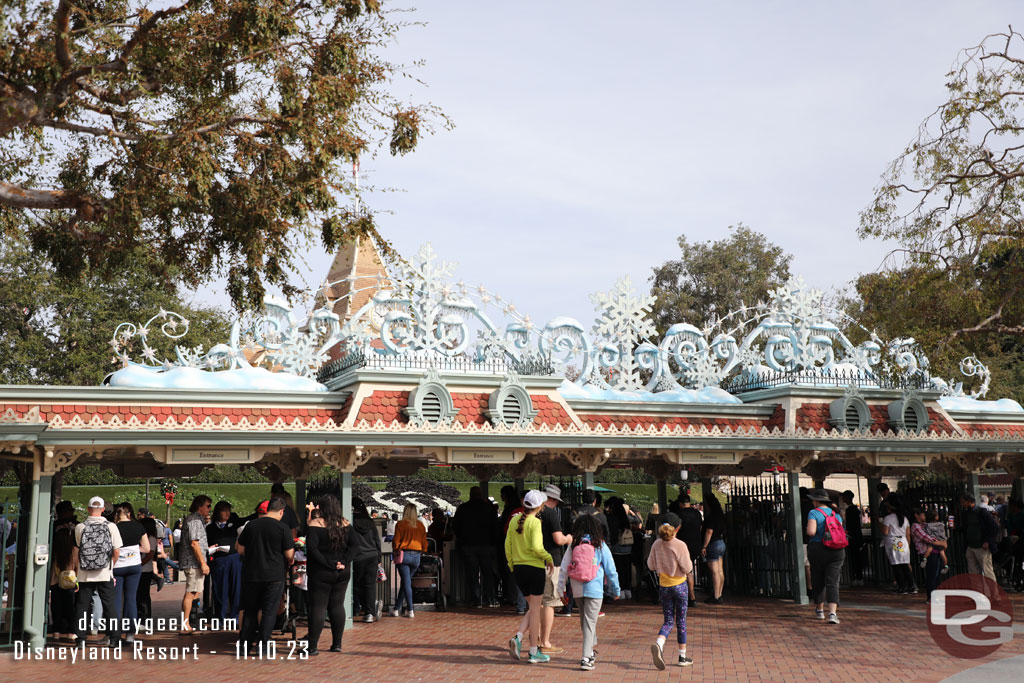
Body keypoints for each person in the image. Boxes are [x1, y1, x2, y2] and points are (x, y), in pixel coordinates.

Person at [556, 513, 620, 671]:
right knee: (590, 622)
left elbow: (564, 569)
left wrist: (560, 590)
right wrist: (616, 589)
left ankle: (590, 650)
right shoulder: (600, 545)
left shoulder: (574, 545)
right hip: (595, 589)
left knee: (586, 621)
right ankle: (586, 658)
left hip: (577, 589)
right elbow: (611, 570)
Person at [303, 495, 358, 655]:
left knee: (318, 607)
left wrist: (328, 564)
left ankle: (312, 646)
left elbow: (312, 549)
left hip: (321, 571)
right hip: (342, 571)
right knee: (337, 605)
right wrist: (344, 561)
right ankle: (337, 644)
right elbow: (355, 545)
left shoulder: (315, 524)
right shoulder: (346, 523)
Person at [238, 498, 296, 649]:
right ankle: (263, 644)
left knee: (250, 610)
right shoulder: (283, 528)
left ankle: (245, 643)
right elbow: (289, 554)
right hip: (274, 575)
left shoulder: (251, 525)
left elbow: (240, 549)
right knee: (268, 611)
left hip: (251, 573)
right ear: (281, 511)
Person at [505, 490, 554, 665]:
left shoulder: (513, 521)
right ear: (540, 506)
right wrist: (549, 558)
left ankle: (518, 637)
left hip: (518, 568)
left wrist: (512, 564)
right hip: (534, 568)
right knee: (535, 609)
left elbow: (507, 546)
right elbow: (537, 547)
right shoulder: (535, 522)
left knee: (534, 607)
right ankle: (533, 651)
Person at [647, 512, 694, 669]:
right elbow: (688, 568)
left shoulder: (656, 544)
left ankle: (659, 644)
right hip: (680, 585)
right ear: (677, 528)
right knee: (681, 621)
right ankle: (682, 656)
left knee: (668, 620)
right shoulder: (680, 545)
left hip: (664, 586)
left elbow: (650, 566)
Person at [74, 496, 122, 645]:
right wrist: (109, 565)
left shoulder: (80, 527)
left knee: (82, 607)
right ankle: (114, 638)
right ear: (102, 509)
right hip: (104, 572)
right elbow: (116, 552)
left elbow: (77, 549)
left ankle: (81, 639)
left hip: (84, 573)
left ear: (88, 509)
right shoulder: (111, 526)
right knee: (110, 606)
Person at [538, 485, 572, 655]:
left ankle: (533, 638)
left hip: (533, 561)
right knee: (549, 603)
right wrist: (568, 539)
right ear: (552, 500)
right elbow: (558, 539)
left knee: (536, 603)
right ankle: (545, 641)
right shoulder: (550, 513)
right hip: (550, 560)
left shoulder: (531, 513)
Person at [453, 486, 499, 608]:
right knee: (488, 573)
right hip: (486, 545)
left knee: (472, 574)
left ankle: (476, 599)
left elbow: (456, 526)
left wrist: (462, 539)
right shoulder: (488, 509)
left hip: (469, 545)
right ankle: (490, 598)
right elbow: (495, 527)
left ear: (470, 494)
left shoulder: (463, 508)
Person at [112, 502, 150, 644]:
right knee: (131, 599)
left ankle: (114, 634)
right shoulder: (138, 526)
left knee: (115, 600)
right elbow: (146, 548)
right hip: (134, 565)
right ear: (129, 513)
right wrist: (134, 550)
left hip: (117, 566)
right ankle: (130, 634)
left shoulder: (113, 528)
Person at [805, 490, 844, 624]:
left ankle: (820, 610)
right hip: (836, 550)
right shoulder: (836, 513)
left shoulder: (813, 513)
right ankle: (833, 613)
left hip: (818, 548)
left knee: (818, 579)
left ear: (816, 501)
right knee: (833, 581)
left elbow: (811, 531)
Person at [178, 495, 212, 632]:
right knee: (191, 592)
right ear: (200, 506)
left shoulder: (197, 520)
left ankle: (189, 621)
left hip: (193, 561)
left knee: (195, 591)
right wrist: (203, 563)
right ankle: (185, 624)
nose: (210, 509)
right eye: (208, 506)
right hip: (193, 563)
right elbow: (194, 543)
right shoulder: (195, 520)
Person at [206, 501, 243, 621]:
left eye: (228, 510)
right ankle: (220, 617)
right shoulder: (210, 528)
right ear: (217, 512)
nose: (227, 513)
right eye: (224, 511)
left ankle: (235, 617)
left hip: (234, 558)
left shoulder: (234, 524)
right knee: (220, 589)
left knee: (236, 588)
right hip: (219, 559)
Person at [390, 502, 427, 618]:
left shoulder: (400, 524)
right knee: (406, 582)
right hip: (416, 556)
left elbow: (396, 541)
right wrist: (423, 550)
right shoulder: (420, 525)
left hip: (404, 555)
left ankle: (410, 609)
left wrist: (396, 548)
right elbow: (424, 542)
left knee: (406, 582)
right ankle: (396, 608)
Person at [350, 497, 383, 622]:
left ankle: (364, 607)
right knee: (369, 585)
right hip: (372, 556)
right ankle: (369, 612)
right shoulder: (369, 521)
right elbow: (376, 540)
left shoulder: (351, 521)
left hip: (358, 557)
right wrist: (379, 557)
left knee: (357, 585)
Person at [499, 486, 528, 615]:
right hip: (532, 552)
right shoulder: (538, 514)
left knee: (518, 579)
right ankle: (532, 605)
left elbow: (506, 532)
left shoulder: (514, 513)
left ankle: (520, 604)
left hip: (516, 550)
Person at [961, 492, 1000, 584]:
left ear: (969, 501)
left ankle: (994, 594)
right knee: (973, 572)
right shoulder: (967, 513)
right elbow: (967, 528)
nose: (962, 504)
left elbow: (995, 527)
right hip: (971, 546)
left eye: (963, 502)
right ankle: (978, 594)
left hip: (981, 546)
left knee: (987, 571)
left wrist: (988, 541)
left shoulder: (981, 512)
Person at [910, 507, 948, 601]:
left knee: (937, 575)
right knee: (932, 575)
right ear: (917, 515)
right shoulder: (916, 526)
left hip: (936, 550)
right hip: (929, 552)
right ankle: (931, 596)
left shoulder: (926, 525)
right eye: (923, 514)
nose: (925, 516)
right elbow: (927, 538)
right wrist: (942, 543)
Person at [49, 525, 78, 642]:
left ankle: (56, 631)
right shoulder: (73, 549)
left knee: (56, 607)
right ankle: (71, 632)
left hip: (55, 580)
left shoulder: (54, 549)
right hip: (70, 581)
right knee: (71, 608)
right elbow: (77, 565)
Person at [882, 494, 914, 594]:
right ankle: (911, 585)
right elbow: (908, 533)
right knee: (904, 564)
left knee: (896, 564)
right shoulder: (904, 518)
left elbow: (885, 532)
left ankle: (902, 586)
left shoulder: (888, 518)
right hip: (903, 541)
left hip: (894, 540)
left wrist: (880, 524)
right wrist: (908, 544)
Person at [604, 497, 634, 600]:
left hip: (617, 548)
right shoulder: (625, 518)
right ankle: (627, 590)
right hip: (627, 547)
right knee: (627, 569)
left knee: (618, 569)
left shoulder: (612, 518)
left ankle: (619, 590)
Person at [677, 496, 703, 607]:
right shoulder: (697, 513)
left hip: (684, 544)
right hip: (696, 543)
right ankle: (689, 595)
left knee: (687, 571)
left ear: (680, 503)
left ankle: (691, 596)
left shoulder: (680, 514)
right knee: (689, 568)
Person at [700, 495, 726, 603]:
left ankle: (716, 596)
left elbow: (709, 531)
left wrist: (704, 546)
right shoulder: (721, 515)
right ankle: (719, 593)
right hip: (721, 542)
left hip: (713, 544)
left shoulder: (711, 517)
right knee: (720, 570)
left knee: (714, 571)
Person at [137, 516, 159, 619]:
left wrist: (141, 563)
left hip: (145, 570)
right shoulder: (147, 538)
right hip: (143, 569)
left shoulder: (151, 539)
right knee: (141, 594)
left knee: (143, 595)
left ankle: (145, 616)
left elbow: (150, 554)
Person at [841, 491, 864, 585]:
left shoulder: (850, 510)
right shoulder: (856, 509)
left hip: (853, 537)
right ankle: (859, 577)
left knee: (854, 558)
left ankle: (856, 577)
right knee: (857, 557)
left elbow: (850, 525)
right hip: (857, 536)